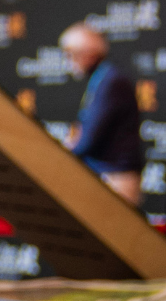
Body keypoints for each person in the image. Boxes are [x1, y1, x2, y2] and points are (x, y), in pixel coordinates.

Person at [61, 23, 145, 206]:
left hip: (116, 178)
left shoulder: (111, 81)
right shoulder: (103, 78)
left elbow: (89, 137)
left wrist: (63, 152)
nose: (68, 62)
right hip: (106, 174)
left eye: (71, 54)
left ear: (89, 54)